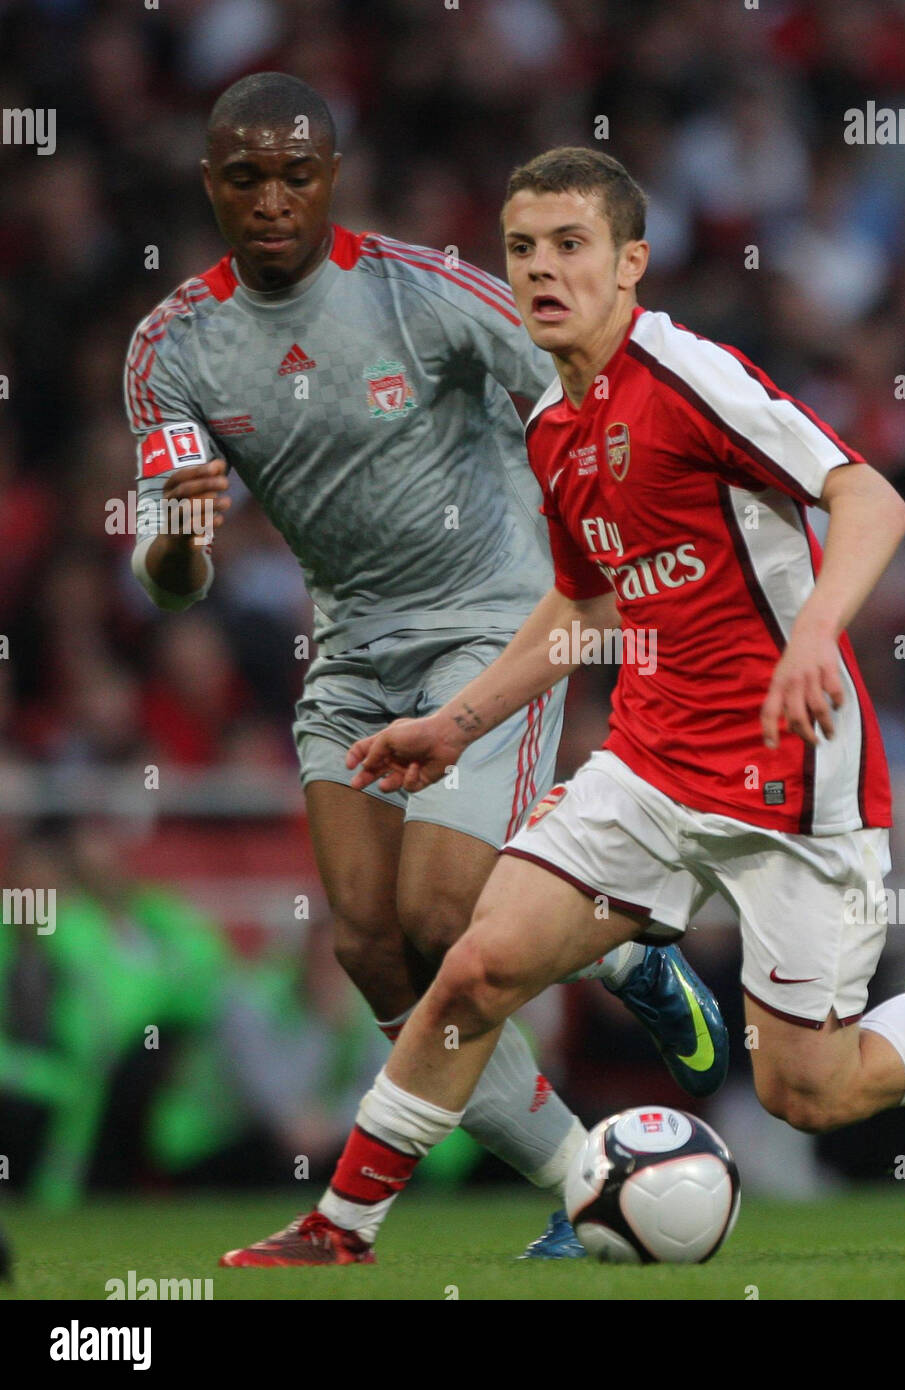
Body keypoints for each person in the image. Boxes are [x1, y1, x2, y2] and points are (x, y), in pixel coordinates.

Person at [221, 147, 905, 1267]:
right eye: (523, 248)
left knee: (814, 1088)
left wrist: (813, 635)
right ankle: (342, 1225)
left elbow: (869, 495)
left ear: (632, 265)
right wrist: (453, 724)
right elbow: (580, 605)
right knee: (475, 965)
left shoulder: (688, 375)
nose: (542, 269)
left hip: (791, 769)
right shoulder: (554, 431)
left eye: (572, 245)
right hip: (650, 762)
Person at [125, 82, 727, 1261]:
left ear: (333, 176)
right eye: (245, 176)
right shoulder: (172, 347)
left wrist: (617, 551)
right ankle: (577, 1174)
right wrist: (181, 536)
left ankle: (622, 936)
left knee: (443, 913)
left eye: (296, 173)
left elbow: (584, 373)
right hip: (351, 643)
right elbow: (169, 584)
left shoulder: (419, 289)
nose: (272, 197)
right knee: (366, 942)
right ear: (211, 186)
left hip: (491, 621)